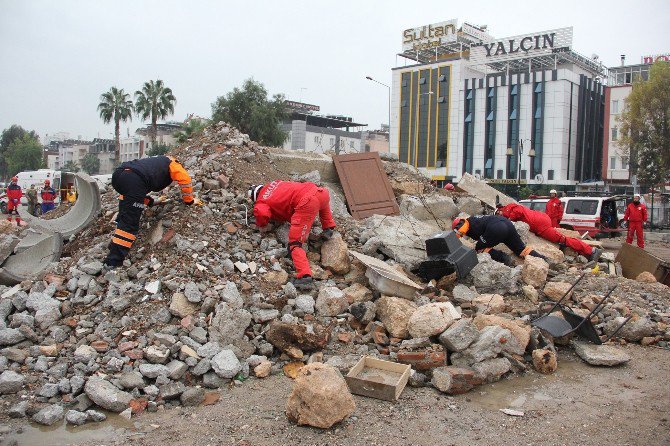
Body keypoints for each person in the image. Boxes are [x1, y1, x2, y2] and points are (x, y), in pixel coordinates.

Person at [104, 155, 194, 267]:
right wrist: (189, 201)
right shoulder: (174, 164)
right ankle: (114, 261)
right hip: (133, 179)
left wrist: (151, 202)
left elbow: (136, 192)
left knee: (125, 212)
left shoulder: (156, 163)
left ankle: (114, 244)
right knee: (129, 224)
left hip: (119, 175)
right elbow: (185, 180)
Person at [248, 181, 336, 290]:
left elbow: (262, 213)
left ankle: (304, 277)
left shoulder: (261, 200)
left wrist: (261, 224)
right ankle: (328, 227)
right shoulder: (274, 183)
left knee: (295, 244)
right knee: (321, 201)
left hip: (307, 203)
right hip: (321, 193)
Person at [498, 203, 602, 262]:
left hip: (540, 225)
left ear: (500, 210)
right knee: (563, 240)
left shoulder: (510, 208)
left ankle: (591, 250)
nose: (500, 216)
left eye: (499, 213)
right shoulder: (511, 208)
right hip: (541, 220)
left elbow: (518, 212)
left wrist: (509, 219)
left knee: (563, 240)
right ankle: (588, 252)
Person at [452, 215, 547, 266]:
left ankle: (504, 258)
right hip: (507, 224)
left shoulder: (464, 221)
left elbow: (458, 232)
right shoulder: (477, 219)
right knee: (521, 249)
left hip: (496, 228)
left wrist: (452, 240)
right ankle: (544, 260)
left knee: (479, 248)